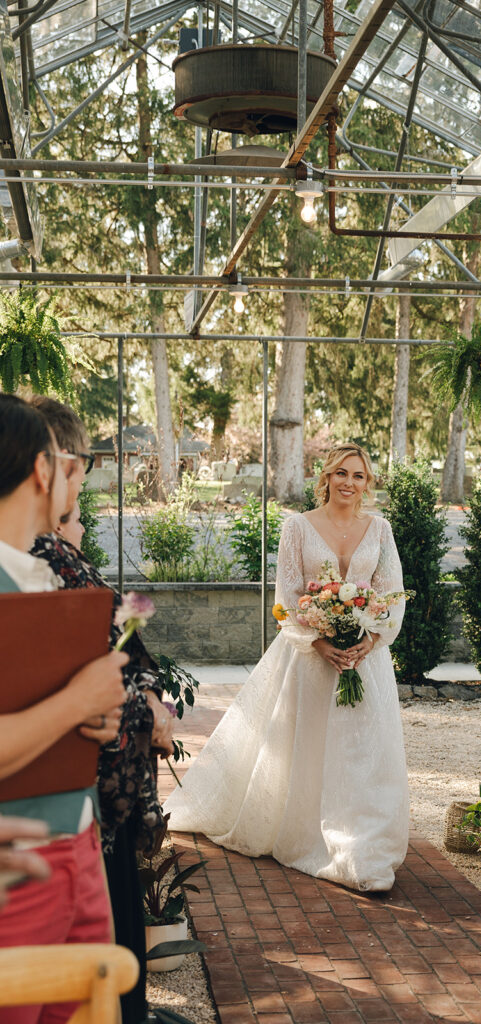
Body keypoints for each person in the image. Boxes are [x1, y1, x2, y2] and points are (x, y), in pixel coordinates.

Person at [165, 442, 409, 892]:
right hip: (310, 661)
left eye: (358, 476)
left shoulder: (380, 529)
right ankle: (307, 831)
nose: (349, 483)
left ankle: (362, 839)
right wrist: (320, 643)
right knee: (311, 746)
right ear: (327, 477)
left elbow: (392, 594)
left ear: (367, 482)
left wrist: (368, 642)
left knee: (360, 751)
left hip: (364, 661)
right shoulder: (298, 527)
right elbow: (287, 598)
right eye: (341, 473)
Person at [28, 397, 173, 1024]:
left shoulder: (56, 556)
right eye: (80, 474)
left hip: (83, 809)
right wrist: (139, 708)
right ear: (53, 467)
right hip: (77, 807)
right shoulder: (39, 567)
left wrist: (145, 696)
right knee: (100, 969)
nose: (78, 490)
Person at [0, 394, 127, 1024]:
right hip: (18, 863)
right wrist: (78, 699)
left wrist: (90, 720)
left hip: (77, 840)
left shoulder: (40, 575)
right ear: (44, 471)